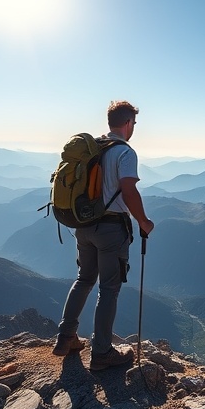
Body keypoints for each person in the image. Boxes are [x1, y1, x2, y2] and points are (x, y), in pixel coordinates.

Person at [52, 100, 155, 370]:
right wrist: (143, 221)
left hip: (83, 225)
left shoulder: (94, 148)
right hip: (111, 229)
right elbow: (129, 190)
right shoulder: (125, 153)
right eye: (134, 124)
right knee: (109, 289)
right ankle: (101, 353)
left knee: (84, 279)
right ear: (128, 123)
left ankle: (66, 339)